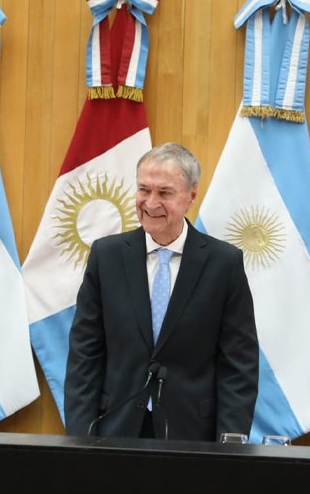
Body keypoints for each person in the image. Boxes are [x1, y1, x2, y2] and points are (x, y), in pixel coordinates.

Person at [64, 142, 259, 441]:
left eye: (165, 193)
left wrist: (229, 445)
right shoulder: (106, 257)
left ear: (191, 196)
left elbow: (239, 365)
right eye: (144, 190)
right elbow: (85, 356)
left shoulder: (223, 263)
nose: (151, 203)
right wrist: (80, 439)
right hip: (114, 429)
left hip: (193, 436)